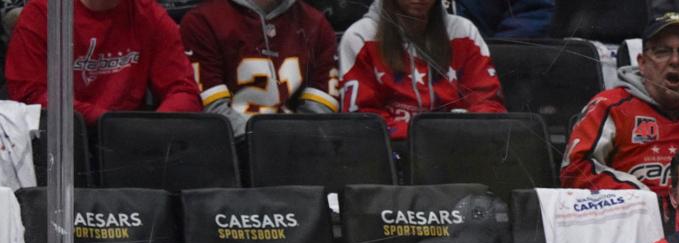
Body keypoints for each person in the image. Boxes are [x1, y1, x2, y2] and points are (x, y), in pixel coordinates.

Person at [559, 12, 679, 219]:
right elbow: (574, 171)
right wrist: (645, 199)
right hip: (638, 222)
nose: (675, 60)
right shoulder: (610, 105)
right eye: (662, 52)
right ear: (642, 62)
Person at [5, 0, 201, 126]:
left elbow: (183, 89)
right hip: (64, 136)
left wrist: (153, 128)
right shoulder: (44, 12)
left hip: (128, 139)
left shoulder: (149, 14)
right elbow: (29, 94)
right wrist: (106, 121)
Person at [340, 0, 505, 141]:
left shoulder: (464, 32)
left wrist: (464, 127)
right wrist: (428, 134)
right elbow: (362, 121)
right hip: (392, 151)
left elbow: (489, 103)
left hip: (460, 145)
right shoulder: (360, 36)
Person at [179, 0, 340, 139]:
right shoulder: (203, 21)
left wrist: (293, 146)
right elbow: (212, 110)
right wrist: (259, 147)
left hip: (296, 153)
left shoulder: (318, 25)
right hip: (230, 154)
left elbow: (320, 112)